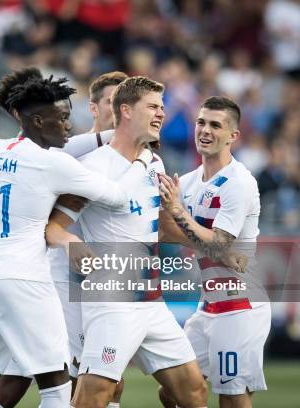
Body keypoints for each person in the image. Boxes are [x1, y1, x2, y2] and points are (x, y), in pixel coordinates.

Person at [0, 75, 155, 408]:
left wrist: (118, 134)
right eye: (62, 118)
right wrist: (142, 159)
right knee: (57, 387)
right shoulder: (54, 164)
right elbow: (119, 197)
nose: (68, 125)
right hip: (26, 281)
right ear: (38, 120)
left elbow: (68, 145)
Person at [46, 76, 207, 408]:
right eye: (152, 106)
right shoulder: (92, 168)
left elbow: (160, 227)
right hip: (111, 302)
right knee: (96, 396)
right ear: (126, 111)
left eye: (162, 107)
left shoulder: (155, 164)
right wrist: (70, 243)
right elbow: (54, 228)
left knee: (193, 390)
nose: (161, 114)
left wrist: (206, 239)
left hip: (151, 299)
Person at [0, 70, 131, 408]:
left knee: (110, 378)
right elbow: (113, 195)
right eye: (113, 102)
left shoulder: (129, 156)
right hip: (57, 279)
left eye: (126, 104)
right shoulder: (64, 151)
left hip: (101, 278)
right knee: (49, 381)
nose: (121, 110)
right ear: (93, 109)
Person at [158, 96, 270, 408]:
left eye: (215, 125)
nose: (205, 130)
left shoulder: (238, 183)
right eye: (201, 122)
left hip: (240, 304)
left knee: (232, 399)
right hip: (207, 305)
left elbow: (218, 242)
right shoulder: (190, 180)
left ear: (233, 135)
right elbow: (168, 232)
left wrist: (178, 212)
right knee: (172, 390)